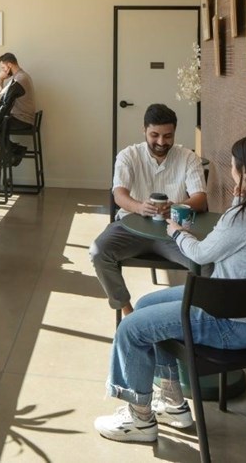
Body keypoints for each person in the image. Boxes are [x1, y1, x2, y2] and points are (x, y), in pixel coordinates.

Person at [93, 134, 246, 443]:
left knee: (132, 327)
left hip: (228, 322)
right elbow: (239, 237)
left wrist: (177, 231)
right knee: (148, 304)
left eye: (235, 168)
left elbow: (202, 254)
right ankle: (171, 403)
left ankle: (140, 419)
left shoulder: (244, 217)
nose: (232, 172)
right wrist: (240, 198)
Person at [89, 104, 208, 317]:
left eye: (167, 136)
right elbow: (119, 195)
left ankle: (189, 314)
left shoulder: (188, 157)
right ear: (144, 130)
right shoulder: (129, 155)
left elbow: (200, 198)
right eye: (155, 135)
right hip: (130, 227)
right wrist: (139, 207)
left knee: (208, 264)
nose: (161, 142)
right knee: (99, 252)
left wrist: (176, 206)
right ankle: (128, 312)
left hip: (174, 231)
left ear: (174, 133)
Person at [0, 52, 36, 163]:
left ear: (9, 65)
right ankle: (14, 151)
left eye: (3, 68)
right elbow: (2, 95)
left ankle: (15, 151)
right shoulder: (19, 77)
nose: (3, 71)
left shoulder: (19, 79)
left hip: (22, 120)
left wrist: (0, 79)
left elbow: (0, 99)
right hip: (22, 118)